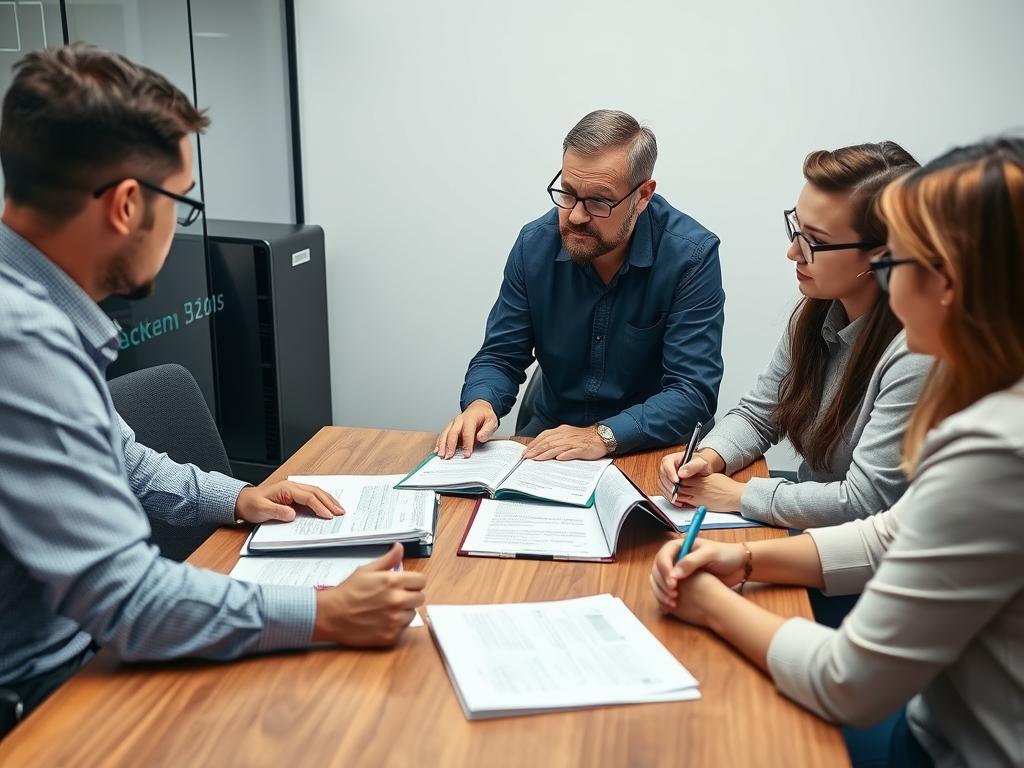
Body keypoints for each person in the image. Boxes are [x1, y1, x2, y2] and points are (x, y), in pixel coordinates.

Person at [0, 44, 425, 718]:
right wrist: (326, 611)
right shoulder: (21, 341)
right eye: (181, 203)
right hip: (40, 703)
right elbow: (129, 602)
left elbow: (115, 455)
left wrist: (239, 499)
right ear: (127, 206)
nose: (180, 225)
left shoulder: (28, 301)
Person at [650, 137, 1024, 768]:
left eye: (898, 257)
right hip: (935, 714)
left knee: (730, 732)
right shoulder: (996, 412)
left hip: (949, 749)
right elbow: (889, 534)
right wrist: (746, 564)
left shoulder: (992, 446)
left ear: (947, 283)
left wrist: (711, 600)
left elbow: (845, 682)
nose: (887, 270)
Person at [659, 142, 932, 530]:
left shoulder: (917, 353)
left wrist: (737, 496)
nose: (793, 252)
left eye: (813, 241)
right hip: (815, 534)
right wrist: (708, 457)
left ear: (882, 256)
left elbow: (865, 501)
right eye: (796, 228)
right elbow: (759, 415)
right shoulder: (819, 310)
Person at [435, 109, 725, 461]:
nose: (575, 215)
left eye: (598, 202)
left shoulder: (690, 256)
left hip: (650, 448)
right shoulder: (534, 246)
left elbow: (692, 392)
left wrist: (603, 435)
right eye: (568, 193)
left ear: (643, 195)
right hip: (552, 437)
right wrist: (482, 402)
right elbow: (500, 355)